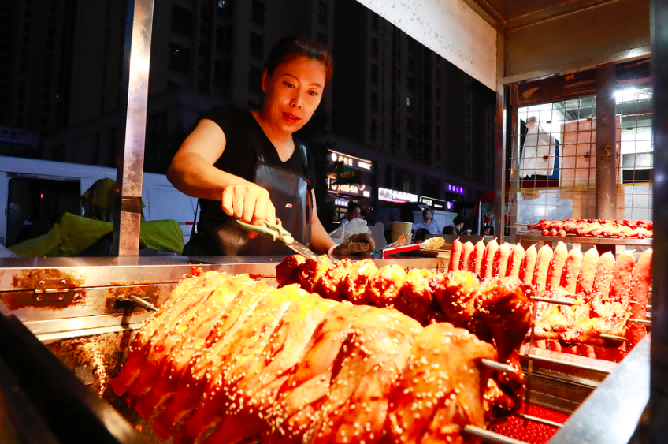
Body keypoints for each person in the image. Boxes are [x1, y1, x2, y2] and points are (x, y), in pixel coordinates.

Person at [167, 35, 336, 256]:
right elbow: (183, 166)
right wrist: (237, 186)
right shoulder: (230, 121)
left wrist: (336, 250)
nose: (298, 102)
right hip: (216, 279)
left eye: (312, 92)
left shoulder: (304, 155)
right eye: (289, 84)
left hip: (284, 284)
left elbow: (310, 222)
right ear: (266, 80)